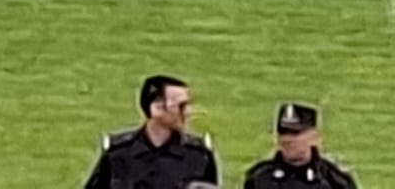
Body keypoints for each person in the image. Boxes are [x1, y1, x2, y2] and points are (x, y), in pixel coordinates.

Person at [84, 74, 219, 189]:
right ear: (157, 108)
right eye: (181, 106)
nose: (189, 112)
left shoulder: (198, 156)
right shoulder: (118, 154)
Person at [242, 103, 358, 189]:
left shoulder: (335, 181)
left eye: (296, 134)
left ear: (314, 137)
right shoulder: (259, 179)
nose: (288, 140)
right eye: (283, 133)